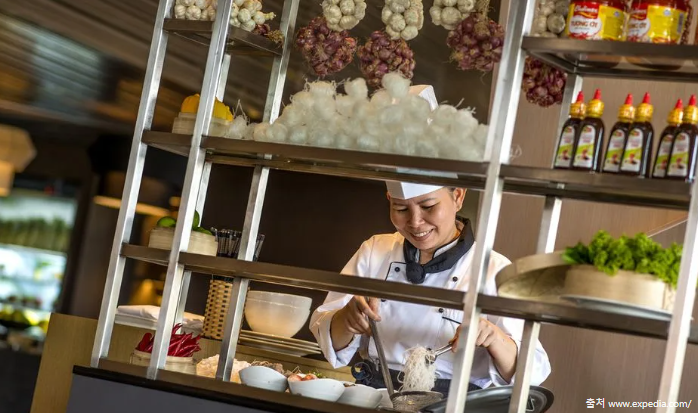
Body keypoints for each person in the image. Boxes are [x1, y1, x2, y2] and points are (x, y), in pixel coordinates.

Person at [309, 181, 551, 395]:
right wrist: (347, 319)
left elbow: (531, 373)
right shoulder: (375, 251)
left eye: (428, 206)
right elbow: (328, 340)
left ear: (458, 196)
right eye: (401, 209)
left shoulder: (494, 270)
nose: (415, 222)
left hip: (453, 404)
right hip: (374, 395)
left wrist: (494, 338)